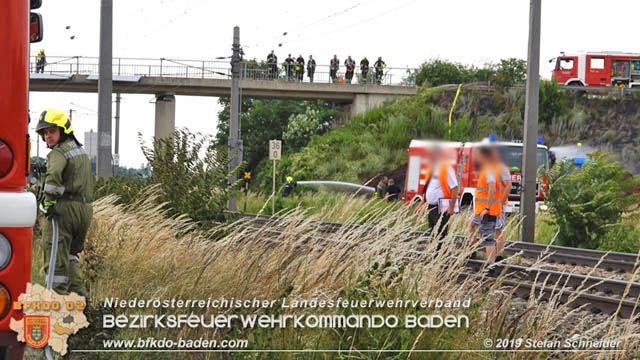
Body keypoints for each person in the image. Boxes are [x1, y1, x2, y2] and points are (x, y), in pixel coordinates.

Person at [35, 108, 93, 298]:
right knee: (70, 256)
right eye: (45, 132)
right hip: (84, 211)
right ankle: (79, 298)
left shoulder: (58, 153)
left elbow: (53, 178)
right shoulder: (80, 151)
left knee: (53, 260)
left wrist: (48, 204)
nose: (47, 136)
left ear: (63, 130)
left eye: (52, 131)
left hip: (63, 212)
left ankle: (54, 303)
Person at [468, 146, 503, 277]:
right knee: (470, 224)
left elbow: (492, 188)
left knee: (488, 239)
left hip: (487, 211)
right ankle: (473, 251)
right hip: (481, 210)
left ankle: (491, 268)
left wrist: (487, 209)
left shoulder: (489, 170)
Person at [424, 156, 459, 252]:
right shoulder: (431, 169)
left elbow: (455, 188)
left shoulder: (446, 168)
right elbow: (428, 188)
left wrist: (451, 207)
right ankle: (435, 254)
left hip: (441, 207)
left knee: (440, 233)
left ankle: (440, 255)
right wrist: (421, 205)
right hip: (431, 207)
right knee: (433, 233)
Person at [493, 148, 512, 263]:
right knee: (494, 229)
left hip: (499, 204)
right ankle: (495, 253)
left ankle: (500, 255)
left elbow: (508, 186)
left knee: (498, 229)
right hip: (492, 204)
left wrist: (500, 203)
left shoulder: (502, 169)